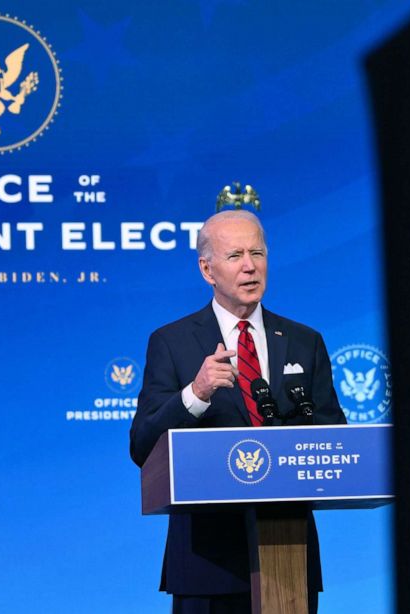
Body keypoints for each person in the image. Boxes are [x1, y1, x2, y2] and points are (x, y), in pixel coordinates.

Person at [129, 209, 346, 613]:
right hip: (205, 563)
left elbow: (333, 434)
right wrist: (195, 393)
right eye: (235, 256)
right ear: (207, 270)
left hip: (289, 559)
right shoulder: (172, 342)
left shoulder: (304, 341)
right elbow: (143, 445)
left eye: (258, 253)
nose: (250, 266)